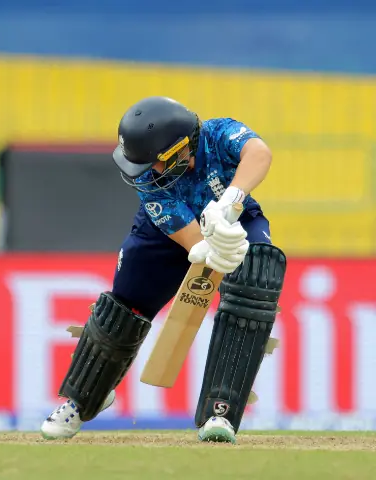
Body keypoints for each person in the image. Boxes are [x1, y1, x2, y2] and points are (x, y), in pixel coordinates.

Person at [40, 96, 287, 443]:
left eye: (155, 163)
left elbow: (259, 153)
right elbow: (193, 242)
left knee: (256, 277)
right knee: (124, 306)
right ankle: (84, 395)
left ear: (181, 149)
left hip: (237, 218)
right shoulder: (147, 178)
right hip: (167, 234)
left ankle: (222, 413)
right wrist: (208, 249)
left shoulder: (219, 134)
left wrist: (230, 203)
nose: (149, 172)